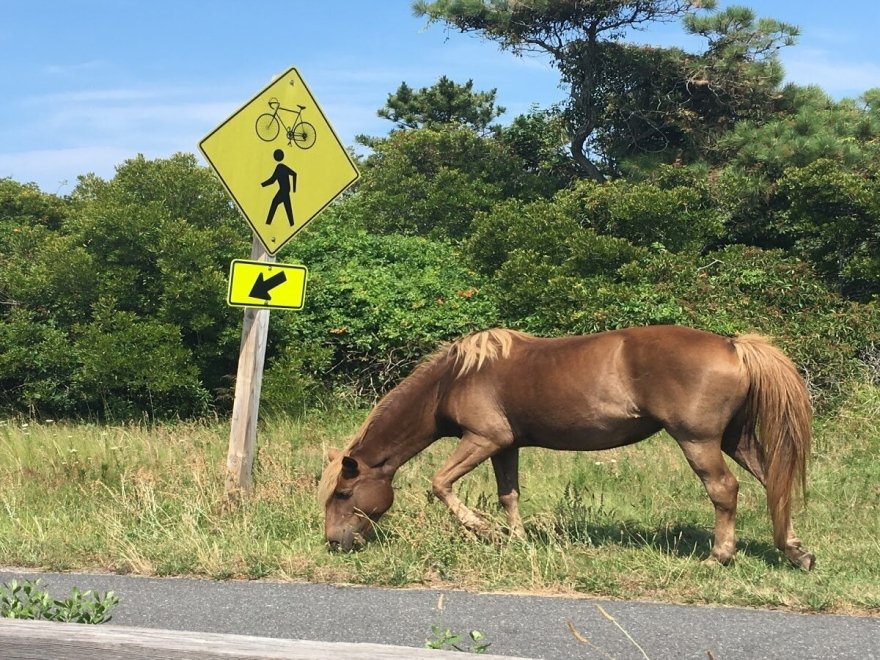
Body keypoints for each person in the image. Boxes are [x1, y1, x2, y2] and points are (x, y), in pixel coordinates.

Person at [262, 149, 297, 226]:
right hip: (285, 191)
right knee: (287, 209)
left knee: (275, 203)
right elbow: (294, 174)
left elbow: (272, 180)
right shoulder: (282, 167)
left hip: (283, 191)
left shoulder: (280, 167)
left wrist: (262, 185)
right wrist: (293, 189)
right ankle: (291, 224)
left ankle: (268, 223)